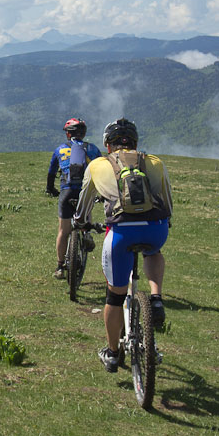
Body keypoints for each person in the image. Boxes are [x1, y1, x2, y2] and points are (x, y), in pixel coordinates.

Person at [71, 118, 172, 373]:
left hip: (120, 233)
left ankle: (113, 354)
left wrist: (81, 223)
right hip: (155, 229)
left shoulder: (97, 165)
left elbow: (83, 209)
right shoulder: (154, 162)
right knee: (154, 251)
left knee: (114, 297)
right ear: (136, 143)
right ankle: (156, 298)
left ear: (108, 145)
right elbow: (167, 203)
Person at [46, 118, 102, 279]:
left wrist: (50, 189)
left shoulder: (60, 150)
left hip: (67, 192)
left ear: (68, 134)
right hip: (85, 191)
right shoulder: (92, 149)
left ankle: (59, 267)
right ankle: (87, 233)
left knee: (63, 231)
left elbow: (51, 173)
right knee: (87, 205)